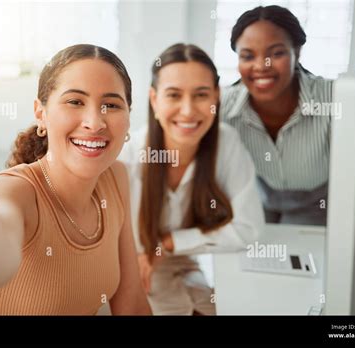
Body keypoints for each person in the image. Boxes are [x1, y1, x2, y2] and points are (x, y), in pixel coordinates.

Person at [0, 44, 151, 315]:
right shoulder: (12, 190)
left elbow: (132, 302)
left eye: (111, 105)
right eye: (75, 101)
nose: (95, 122)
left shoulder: (116, 177)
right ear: (41, 113)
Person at [119, 43, 265, 315]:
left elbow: (248, 229)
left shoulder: (226, 144)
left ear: (216, 98)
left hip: (184, 266)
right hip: (128, 269)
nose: (187, 111)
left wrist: (170, 242)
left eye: (201, 95)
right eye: (173, 95)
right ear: (154, 100)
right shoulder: (128, 157)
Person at [221, 5, 334, 226]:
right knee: (256, 253)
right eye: (248, 56)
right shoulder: (224, 106)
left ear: (297, 51)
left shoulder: (333, 97)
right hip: (259, 195)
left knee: (300, 252)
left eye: (276, 53)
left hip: (317, 200)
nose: (262, 66)